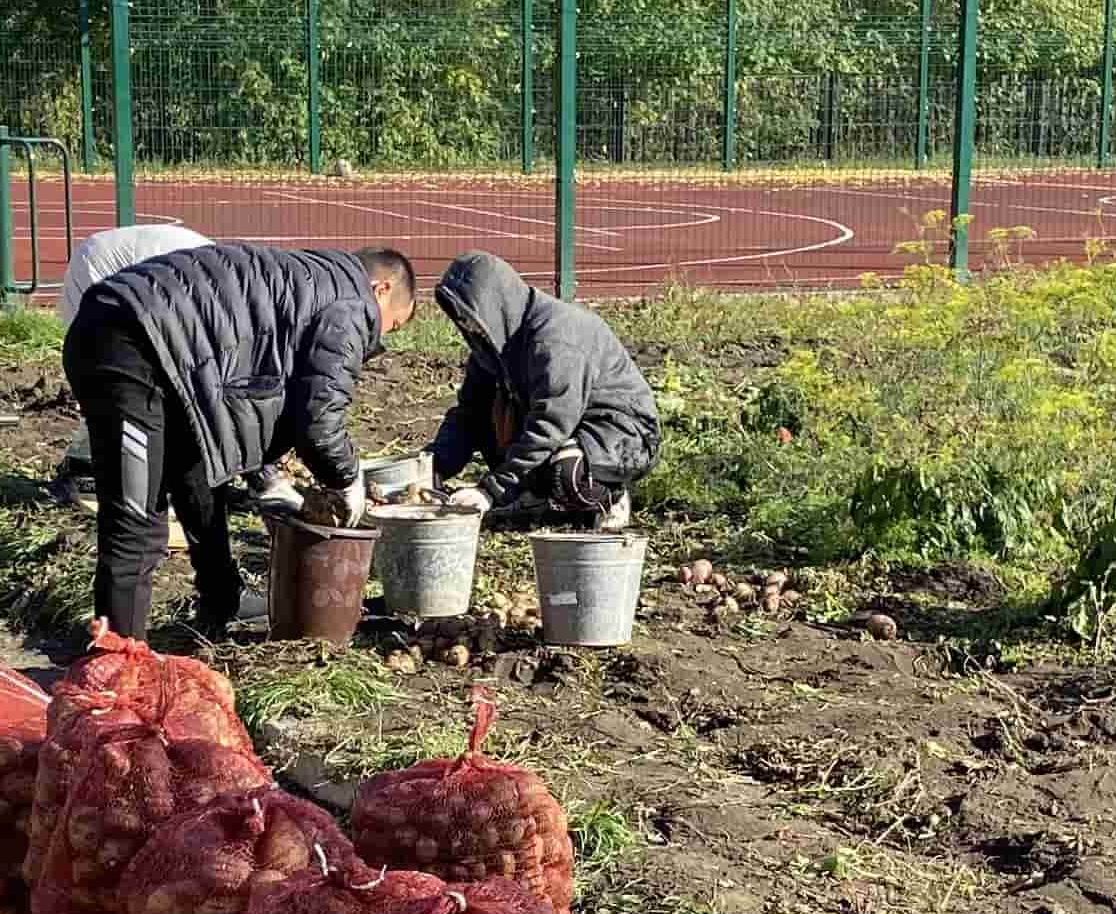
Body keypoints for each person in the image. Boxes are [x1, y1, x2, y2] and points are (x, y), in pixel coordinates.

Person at [59, 238, 419, 639]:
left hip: (150, 343)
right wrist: (348, 479)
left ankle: (222, 599)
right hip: (129, 340)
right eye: (394, 323)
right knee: (137, 523)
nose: (383, 334)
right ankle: (118, 668)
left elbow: (248, 398)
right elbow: (319, 419)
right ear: (381, 289)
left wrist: (265, 478)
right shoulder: (352, 304)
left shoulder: (310, 282)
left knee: (197, 472)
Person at [424, 251, 660, 529]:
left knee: (566, 471)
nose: (465, 327)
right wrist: (432, 467)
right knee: (493, 414)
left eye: (470, 317)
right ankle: (535, 497)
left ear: (496, 305)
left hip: (622, 433)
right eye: (460, 319)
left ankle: (609, 496)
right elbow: (469, 413)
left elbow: (550, 426)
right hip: (567, 428)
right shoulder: (493, 342)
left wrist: (491, 490)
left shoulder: (555, 341)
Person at [47, 225, 212, 506]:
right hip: (102, 267)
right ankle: (85, 469)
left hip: (149, 271)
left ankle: (104, 463)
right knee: (110, 380)